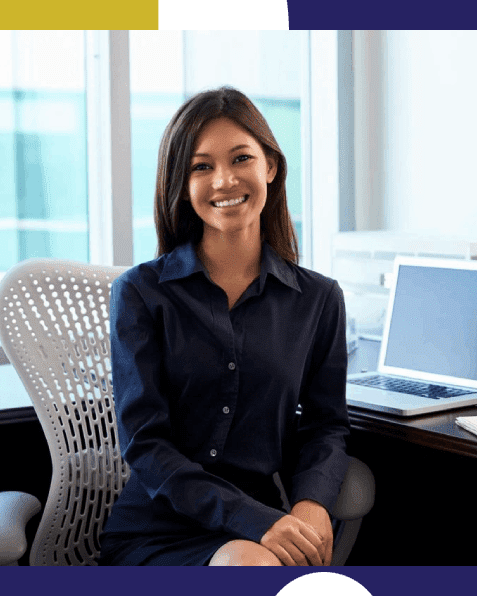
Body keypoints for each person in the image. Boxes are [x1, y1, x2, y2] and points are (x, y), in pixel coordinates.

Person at [98, 86, 351, 566]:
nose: (224, 180)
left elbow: (325, 426)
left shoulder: (318, 300)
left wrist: (312, 504)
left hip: (263, 529)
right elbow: (145, 443)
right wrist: (259, 521)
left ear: (269, 167)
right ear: (182, 181)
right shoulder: (140, 293)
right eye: (202, 166)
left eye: (241, 158)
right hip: (158, 528)